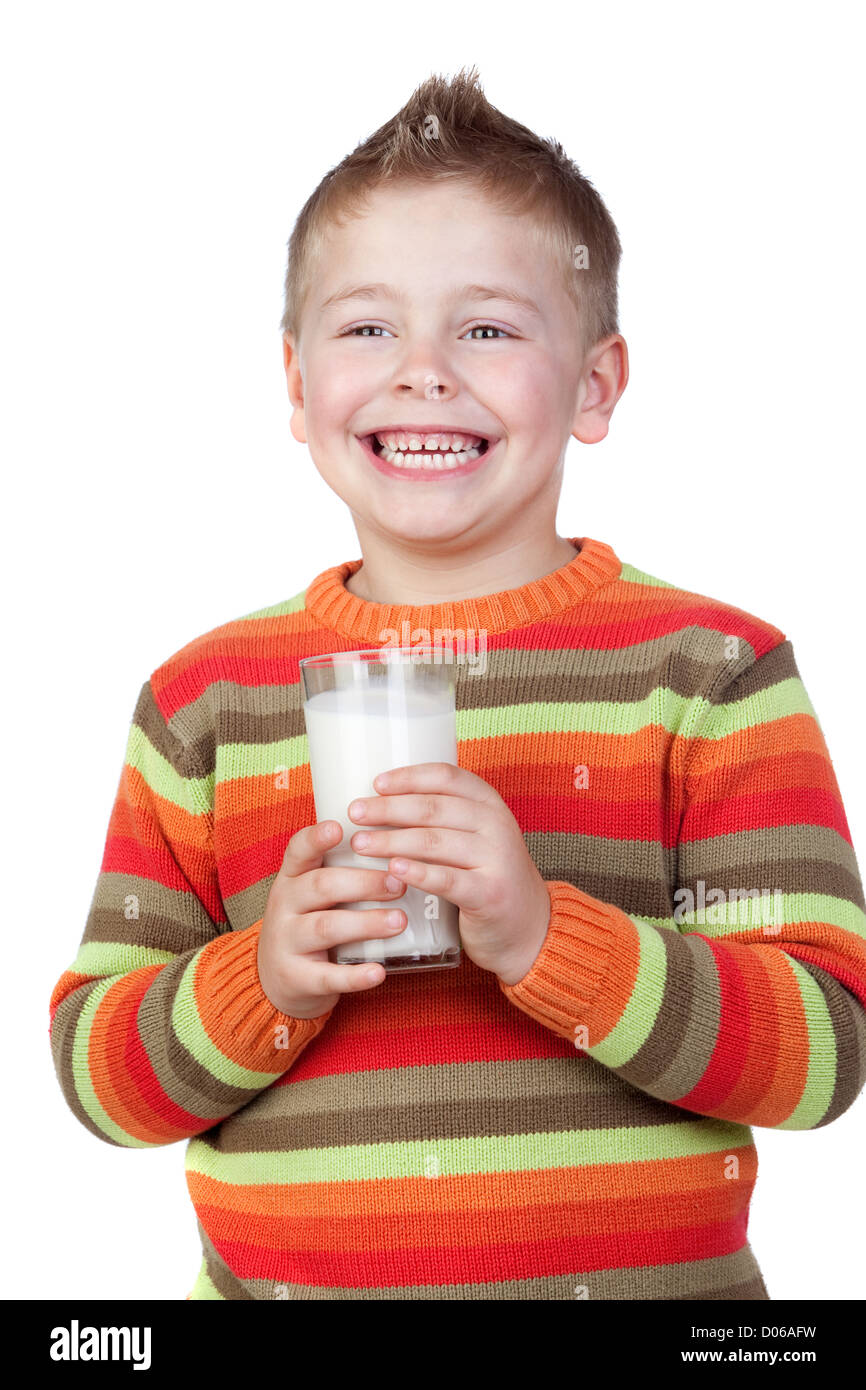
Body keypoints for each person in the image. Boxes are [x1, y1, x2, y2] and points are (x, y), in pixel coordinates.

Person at [49, 65, 866, 1301]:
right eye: (368, 326)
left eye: (485, 326)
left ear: (593, 385)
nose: (422, 370)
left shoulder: (707, 674)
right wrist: (255, 979)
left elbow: (823, 1052)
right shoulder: (202, 701)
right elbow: (96, 1080)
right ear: (294, 384)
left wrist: (547, 935)